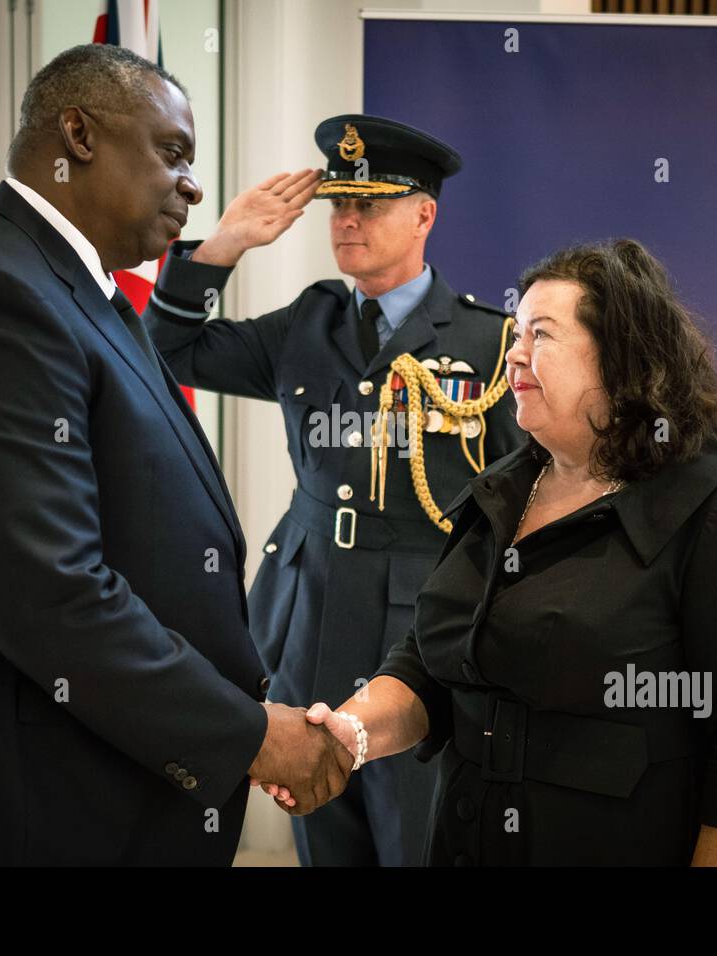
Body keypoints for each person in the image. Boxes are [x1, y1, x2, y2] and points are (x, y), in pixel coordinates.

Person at [0, 43, 351, 866]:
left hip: (103, 784)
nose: (191, 183)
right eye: (173, 153)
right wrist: (250, 735)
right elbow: (51, 595)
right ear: (77, 134)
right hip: (29, 805)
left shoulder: (79, 291)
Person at [259, 239, 717, 866]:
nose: (514, 353)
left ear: (621, 358)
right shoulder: (503, 485)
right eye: (516, 332)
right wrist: (353, 733)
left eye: (542, 334)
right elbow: (429, 662)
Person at [144, 114, 527, 866]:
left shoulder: (491, 343)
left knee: (414, 839)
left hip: (417, 638)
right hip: (308, 616)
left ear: (424, 215)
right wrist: (225, 245)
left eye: (371, 205)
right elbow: (165, 350)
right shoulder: (308, 322)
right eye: (338, 206)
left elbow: (526, 496)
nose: (347, 222)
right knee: (321, 832)